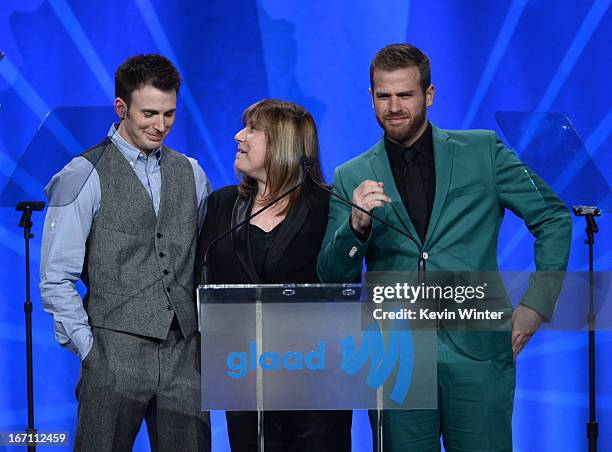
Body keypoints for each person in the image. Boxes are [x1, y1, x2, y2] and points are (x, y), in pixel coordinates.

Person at [317, 44, 572, 451]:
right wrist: (355, 226)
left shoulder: (483, 151)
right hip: (396, 361)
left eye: (405, 95)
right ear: (371, 98)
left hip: (478, 353)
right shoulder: (352, 175)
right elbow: (332, 276)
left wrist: (536, 306)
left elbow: (553, 218)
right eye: (384, 96)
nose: (394, 106)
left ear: (429, 95)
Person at [40, 54, 211, 451]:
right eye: (149, 113)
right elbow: (56, 276)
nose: (160, 125)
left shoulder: (192, 172)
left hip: (184, 357)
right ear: (121, 108)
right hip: (112, 355)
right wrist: (90, 349)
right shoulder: (81, 174)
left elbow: (202, 262)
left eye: (169, 114)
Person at [196, 99, 352, 451]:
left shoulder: (330, 206)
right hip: (244, 382)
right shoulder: (221, 205)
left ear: (282, 143)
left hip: (316, 387)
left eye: (252, 130)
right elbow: (202, 284)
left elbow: (343, 283)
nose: (239, 137)